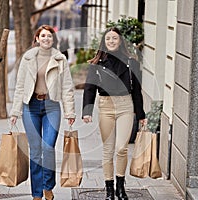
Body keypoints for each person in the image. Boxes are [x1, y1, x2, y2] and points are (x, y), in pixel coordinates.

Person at [9, 25, 76, 200]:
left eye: (49, 36)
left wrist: (70, 112)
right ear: (37, 38)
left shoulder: (60, 59)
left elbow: (68, 87)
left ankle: (48, 186)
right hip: (30, 107)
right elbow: (20, 86)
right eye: (43, 36)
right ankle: (37, 194)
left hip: (51, 106)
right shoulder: (28, 58)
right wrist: (15, 111)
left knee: (48, 147)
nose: (46, 39)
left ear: (53, 39)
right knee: (36, 150)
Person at [82, 27, 147, 200]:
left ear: (120, 42)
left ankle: (120, 186)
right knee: (108, 149)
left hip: (126, 106)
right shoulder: (96, 63)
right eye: (108, 38)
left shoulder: (131, 62)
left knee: (121, 148)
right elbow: (89, 88)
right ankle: (109, 189)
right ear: (104, 42)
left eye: (115, 39)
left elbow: (137, 91)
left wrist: (141, 114)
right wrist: (87, 111)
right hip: (106, 107)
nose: (111, 41)